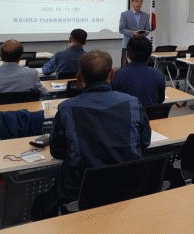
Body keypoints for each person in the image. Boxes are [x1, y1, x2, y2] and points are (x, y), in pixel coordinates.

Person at [33, 51, 151, 219]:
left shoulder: (67, 108)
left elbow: (57, 151)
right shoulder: (133, 103)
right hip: (127, 187)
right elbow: (144, 142)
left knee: (41, 202)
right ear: (111, 74)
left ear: (79, 77)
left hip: (81, 191)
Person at [113, 36, 166, 106]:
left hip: (128, 112)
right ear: (149, 56)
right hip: (151, 113)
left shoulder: (118, 75)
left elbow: (114, 101)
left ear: (127, 54)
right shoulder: (158, 74)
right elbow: (161, 100)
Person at [119, 0, 151, 66]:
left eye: (140, 2)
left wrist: (142, 33)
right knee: (125, 66)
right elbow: (121, 29)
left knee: (140, 67)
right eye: (136, 1)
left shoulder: (145, 15)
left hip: (141, 45)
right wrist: (133, 33)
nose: (139, 3)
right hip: (128, 45)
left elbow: (148, 29)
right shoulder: (125, 14)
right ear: (132, 3)